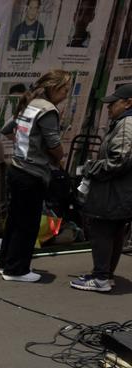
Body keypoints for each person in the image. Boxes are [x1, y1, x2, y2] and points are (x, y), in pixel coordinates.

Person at [0, 69, 71, 281]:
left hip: (17, 168)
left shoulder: (31, 103)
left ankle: (5, 264)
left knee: (14, 219)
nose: (66, 93)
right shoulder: (48, 110)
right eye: (65, 89)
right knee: (28, 223)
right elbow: (54, 144)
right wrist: (58, 155)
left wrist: (25, 143)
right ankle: (17, 269)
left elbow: (6, 128)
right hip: (33, 173)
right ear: (54, 88)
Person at [71, 83, 132, 292]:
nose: (109, 108)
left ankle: (100, 278)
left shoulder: (126, 126)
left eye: (113, 104)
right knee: (114, 232)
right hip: (120, 192)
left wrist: (91, 167)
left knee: (102, 231)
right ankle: (105, 275)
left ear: (128, 103)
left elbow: (119, 160)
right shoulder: (123, 124)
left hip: (114, 192)